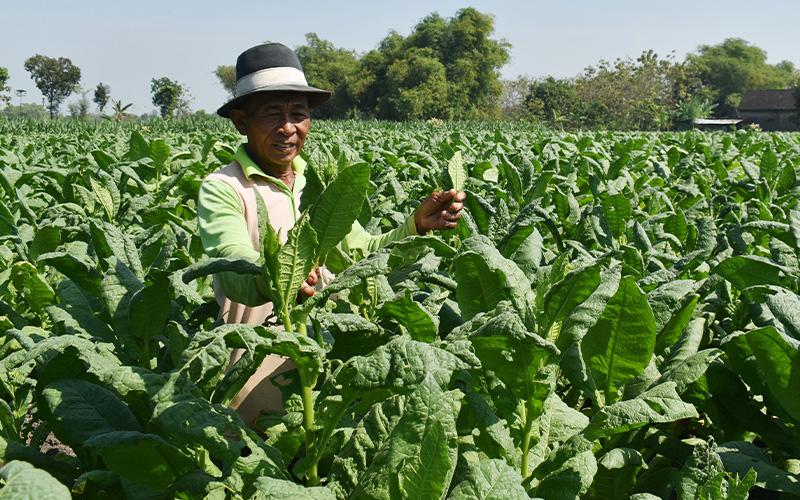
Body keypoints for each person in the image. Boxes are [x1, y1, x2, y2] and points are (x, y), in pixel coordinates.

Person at [198, 43, 465, 426]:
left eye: (298, 114)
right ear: (241, 122)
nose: (288, 128)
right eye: (272, 114)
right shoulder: (224, 187)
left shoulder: (317, 184)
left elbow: (360, 254)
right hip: (256, 371)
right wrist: (282, 276)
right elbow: (232, 265)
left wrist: (416, 226)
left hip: (325, 367)